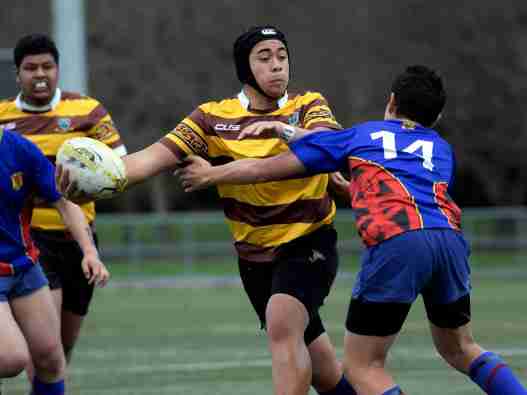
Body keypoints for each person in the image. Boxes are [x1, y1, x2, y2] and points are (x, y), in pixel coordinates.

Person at [176, 65, 527, 395]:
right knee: (461, 347)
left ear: (391, 101)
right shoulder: (441, 150)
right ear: (437, 117)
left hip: (398, 242)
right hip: (449, 240)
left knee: (362, 367)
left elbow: (279, 165)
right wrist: (286, 131)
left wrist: (216, 172)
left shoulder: (363, 136)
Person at [60, 25, 355, 395]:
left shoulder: (308, 105)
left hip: (309, 243)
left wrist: (276, 135)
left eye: (282, 56)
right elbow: (148, 160)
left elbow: (328, 145)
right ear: (245, 69)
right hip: (255, 259)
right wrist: (99, 178)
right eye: (264, 58)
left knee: (283, 329)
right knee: (325, 373)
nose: (277, 66)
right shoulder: (212, 119)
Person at [0, 33, 127, 368]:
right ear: (17, 74)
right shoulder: (2, 119)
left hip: (77, 234)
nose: (39, 74)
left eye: (47, 66)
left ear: (58, 69)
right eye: (30, 68)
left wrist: (93, 185)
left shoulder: (88, 110)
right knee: (46, 348)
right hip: (30, 240)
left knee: (62, 350)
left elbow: (119, 168)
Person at [0, 125, 109, 395]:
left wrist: (89, 251)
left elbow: (64, 202)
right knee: (11, 358)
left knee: (50, 359)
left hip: (24, 267)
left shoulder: (19, 149)